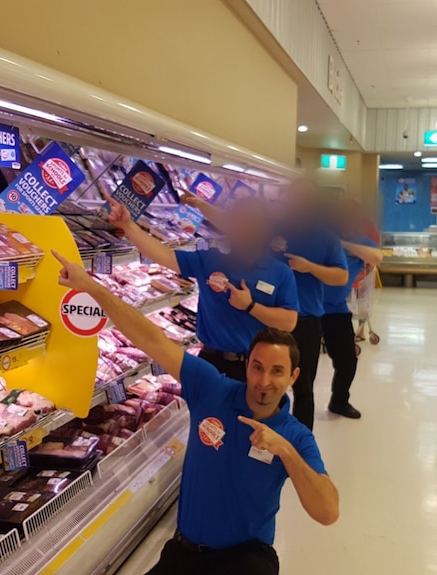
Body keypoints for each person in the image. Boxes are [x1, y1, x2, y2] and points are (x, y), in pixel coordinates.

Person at [51, 251, 339, 575]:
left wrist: (285, 451)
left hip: (245, 561)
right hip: (183, 553)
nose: (264, 381)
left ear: (292, 377)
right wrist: (91, 286)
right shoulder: (212, 389)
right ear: (246, 365)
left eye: (277, 371)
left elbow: (327, 511)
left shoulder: (295, 435)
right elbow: (152, 339)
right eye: (258, 367)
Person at [106, 195, 298, 381]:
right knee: (207, 416)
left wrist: (250, 306)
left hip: (255, 368)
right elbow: (163, 255)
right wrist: (128, 226)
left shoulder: (280, 273)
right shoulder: (210, 260)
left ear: (264, 229)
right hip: (210, 363)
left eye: (252, 223)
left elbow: (289, 322)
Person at [268, 180, 348, 430]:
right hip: (274, 320)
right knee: (270, 386)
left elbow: (341, 276)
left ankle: (302, 444)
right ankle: (267, 439)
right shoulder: (272, 230)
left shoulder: (326, 237)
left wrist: (309, 267)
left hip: (308, 322)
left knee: (303, 389)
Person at [321, 199, 384, 419]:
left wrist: (342, 244)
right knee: (300, 362)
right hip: (306, 308)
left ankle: (339, 401)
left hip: (336, 310)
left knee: (347, 360)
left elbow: (376, 257)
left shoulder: (361, 241)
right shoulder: (321, 236)